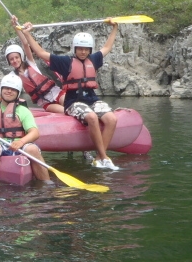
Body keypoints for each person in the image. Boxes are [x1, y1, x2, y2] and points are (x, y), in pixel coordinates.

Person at [24, 20, 121, 170]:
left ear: (90, 49)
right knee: (92, 117)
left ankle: (99, 157)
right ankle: (104, 157)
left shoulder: (93, 59)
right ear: (75, 48)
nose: (83, 52)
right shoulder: (65, 62)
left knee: (111, 119)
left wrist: (115, 27)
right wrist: (27, 34)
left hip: (91, 98)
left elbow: (107, 47)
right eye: (80, 49)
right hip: (73, 101)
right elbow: (41, 53)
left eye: (86, 49)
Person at [10, 17, 66, 113]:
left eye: (16, 57)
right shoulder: (12, 76)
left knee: (72, 107)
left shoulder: (30, 63)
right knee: (65, 111)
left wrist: (16, 27)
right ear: (9, 62)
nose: (15, 60)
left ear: (21, 57)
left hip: (56, 93)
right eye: (11, 59)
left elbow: (25, 43)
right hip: (46, 103)